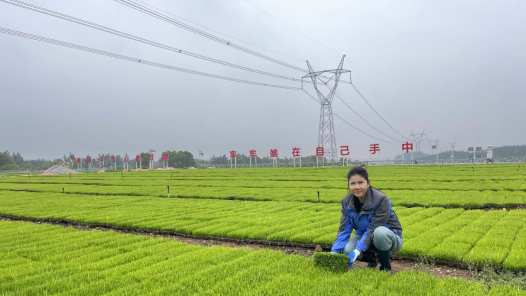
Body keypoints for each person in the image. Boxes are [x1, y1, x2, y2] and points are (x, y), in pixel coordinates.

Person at [330, 166, 403, 272]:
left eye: (361, 182)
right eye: (353, 183)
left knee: (379, 232)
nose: (357, 187)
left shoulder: (381, 200)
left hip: (390, 239)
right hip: (366, 238)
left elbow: (373, 229)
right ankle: (374, 259)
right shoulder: (346, 202)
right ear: (349, 185)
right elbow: (344, 229)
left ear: (368, 183)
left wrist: (358, 250)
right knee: (347, 249)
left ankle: (385, 267)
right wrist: (334, 252)